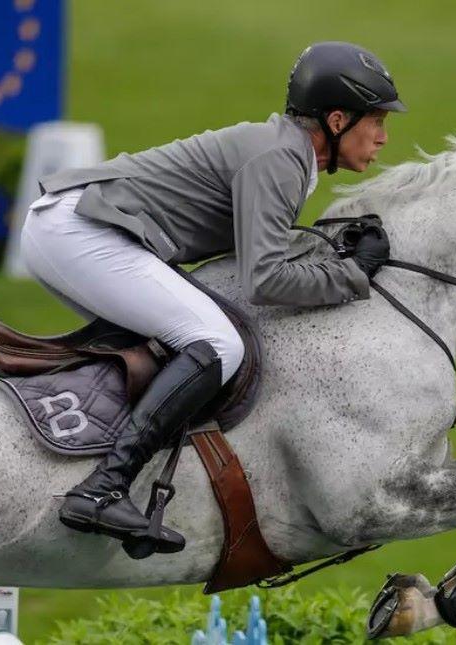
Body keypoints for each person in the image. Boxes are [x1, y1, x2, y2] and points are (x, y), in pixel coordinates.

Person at [20, 41, 406, 554]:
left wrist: (332, 257)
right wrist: (354, 275)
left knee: (183, 348)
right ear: (337, 120)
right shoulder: (280, 159)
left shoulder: (285, 153)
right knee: (219, 344)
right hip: (82, 231)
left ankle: (142, 486)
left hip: (74, 226)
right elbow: (265, 281)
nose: (382, 138)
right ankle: (103, 487)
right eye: (376, 122)